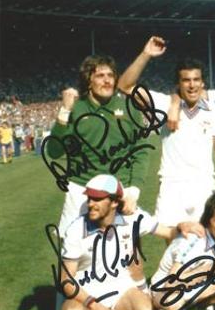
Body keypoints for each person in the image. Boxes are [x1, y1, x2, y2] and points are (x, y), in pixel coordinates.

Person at [54, 174, 200, 310]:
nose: (91, 203)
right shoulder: (76, 229)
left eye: (98, 198)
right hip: (86, 290)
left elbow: (167, 232)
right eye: (89, 198)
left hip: (122, 288)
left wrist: (181, 227)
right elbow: (66, 279)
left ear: (114, 202)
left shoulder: (133, 219)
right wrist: (94, 305)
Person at [118, 35, 215, 230]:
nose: (192, 85)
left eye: (196, 80)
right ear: (179, 83)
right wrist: (146, 54)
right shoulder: (164, 104)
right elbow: (124, 86)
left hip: (203, 186)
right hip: (172, 186)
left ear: (202, 82)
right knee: (173, 249)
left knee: (205, 252)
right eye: (186, 80)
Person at [45, 54, 150, 233]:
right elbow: (54, 152)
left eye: (110, 75)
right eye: (100, 76)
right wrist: (65, 111)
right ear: (88, 80)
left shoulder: (129, 107)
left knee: (128, 251)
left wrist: (135, 189)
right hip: (81, 191)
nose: (107, 80)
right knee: (71, 254)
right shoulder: (76, 109)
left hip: (119, 191)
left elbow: (140, 152)